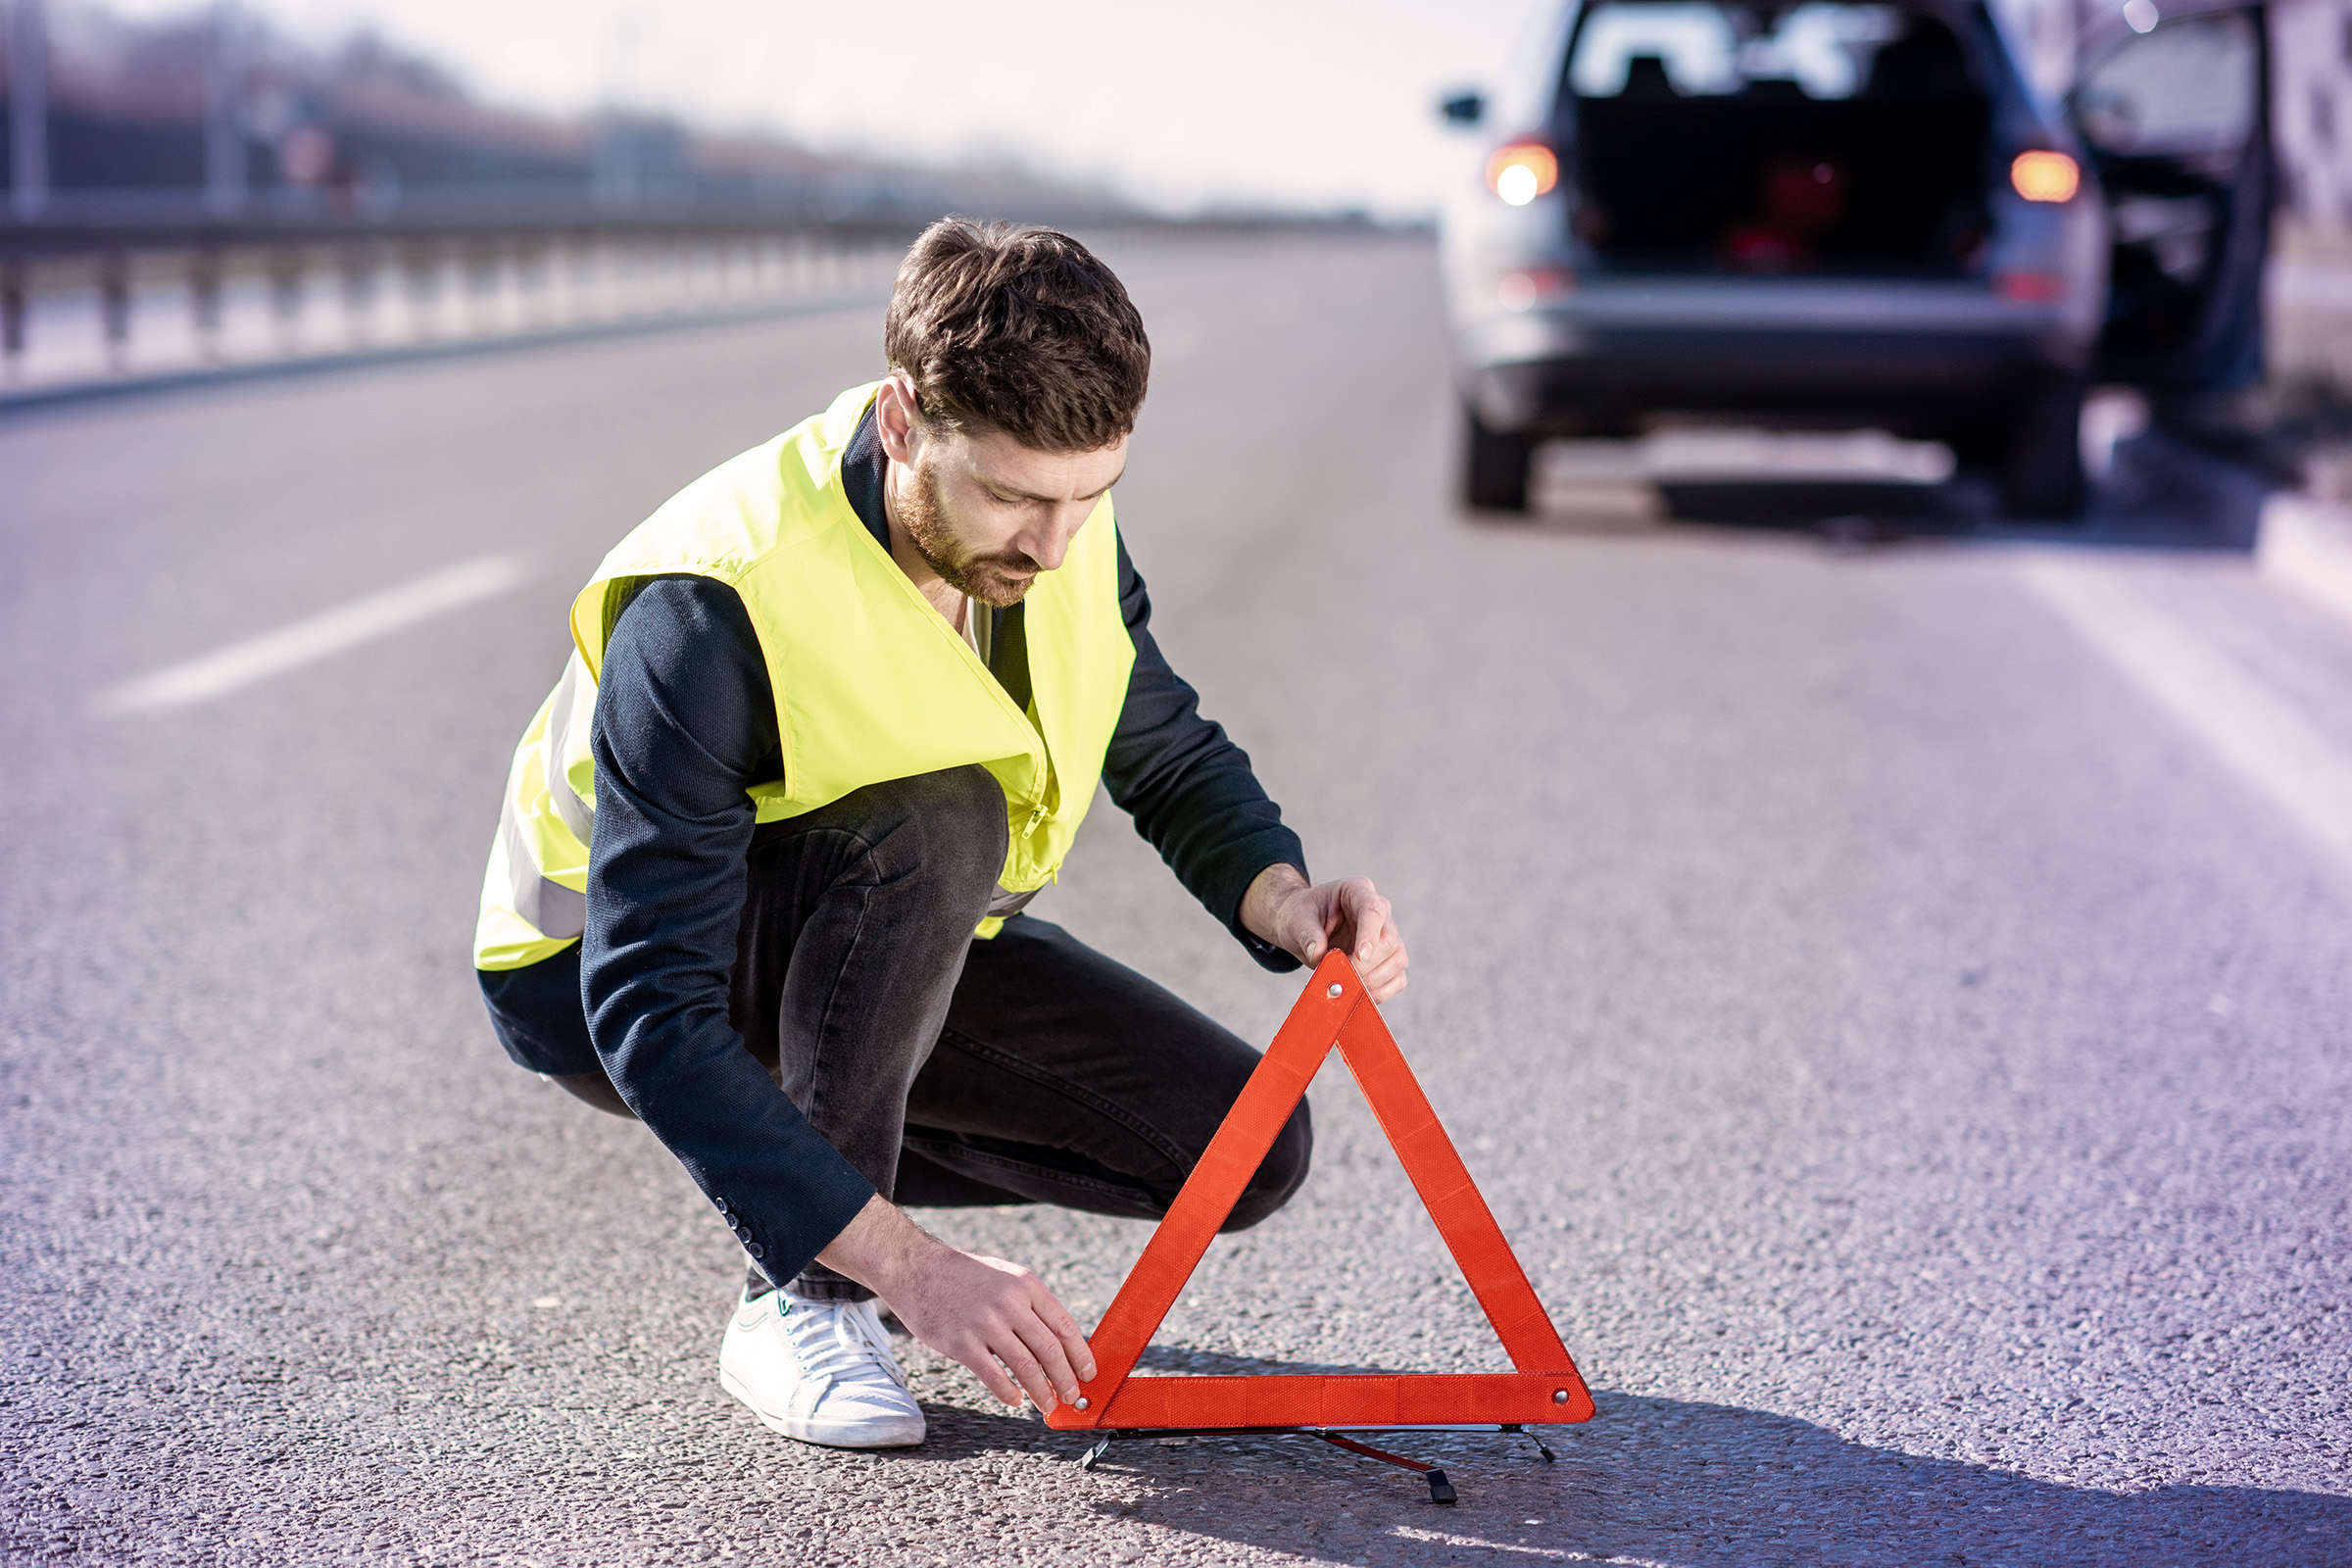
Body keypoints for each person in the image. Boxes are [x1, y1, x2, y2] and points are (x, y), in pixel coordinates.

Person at [470, 219, 1408, 1450]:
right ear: (905, 419)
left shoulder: (1058, 529)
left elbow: (1159, 739)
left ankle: (823, 1207)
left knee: (1245, 1150)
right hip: (597, 975)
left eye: (1090, 494)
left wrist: (1283, 897)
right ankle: (805, 1298)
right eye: (1015, 496)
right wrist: (911, 1268)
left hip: (879, 932)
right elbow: (648, 1009)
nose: (1054, 543)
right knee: (941, 812)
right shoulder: (715, 600)